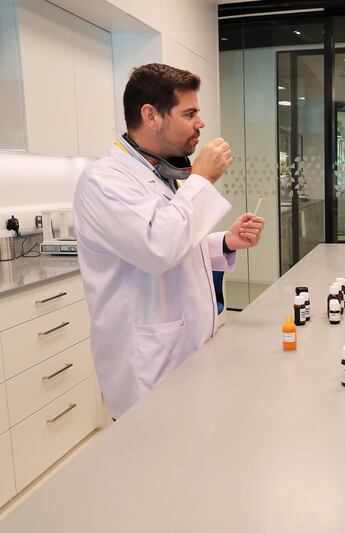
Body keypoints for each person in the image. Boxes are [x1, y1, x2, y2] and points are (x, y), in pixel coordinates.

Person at [73, 63, 264, 419]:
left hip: (186, 353)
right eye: (189, 113)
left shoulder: (160, 172)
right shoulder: (104, 181)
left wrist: (225, 242)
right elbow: (158, 249)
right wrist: (203, 178)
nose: (200, 123)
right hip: (148, 366)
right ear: (151, 116)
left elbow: (177, 241)